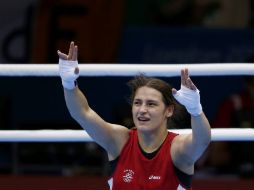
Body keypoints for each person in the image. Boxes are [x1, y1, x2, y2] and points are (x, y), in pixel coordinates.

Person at [57, 41, 211, 189]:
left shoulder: (177, 149)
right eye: (138, 103)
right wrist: (69, 84)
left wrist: (195, 110)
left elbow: (202, 141)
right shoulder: (119, 140)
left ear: (168, 110)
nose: (142, 109)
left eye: (151, 104)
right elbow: (83, 114)